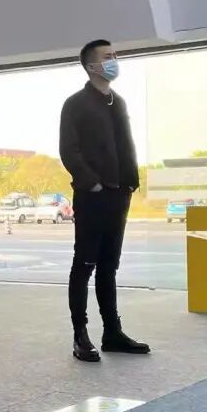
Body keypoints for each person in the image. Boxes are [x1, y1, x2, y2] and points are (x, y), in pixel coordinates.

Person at [60, 39, 151, 362]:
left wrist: (131, 182)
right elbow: (69, 150)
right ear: (91, 66)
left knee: (109, 266)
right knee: (84, 264)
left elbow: (127, 145)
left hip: (119, 193)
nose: (114, 60)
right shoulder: (76, 104)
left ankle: (112, 332)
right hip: (92, 196)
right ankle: (80, 335)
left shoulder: (118, 102)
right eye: (107, 56)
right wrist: (93, 183)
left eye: (115, 55)